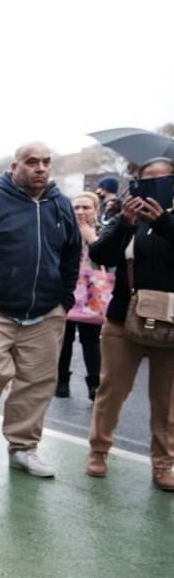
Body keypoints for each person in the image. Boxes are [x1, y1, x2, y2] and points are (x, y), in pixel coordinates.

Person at [0, 142, 80, 477]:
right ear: (14, 166)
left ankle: (23, 447)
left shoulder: (60, 204)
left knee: (37, 383)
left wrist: (64, 300)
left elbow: (72, 253)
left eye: (46, 162)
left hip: (45, 312)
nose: (41, 168)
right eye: (32, 162)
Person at [84, 157, 174, 489]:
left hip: (171, 322)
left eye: (161, 180)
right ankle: (98, 451)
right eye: (146, 180)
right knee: (111, 390)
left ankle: (164, 464)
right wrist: (123, 222)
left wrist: (163, 222)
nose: (152, 187)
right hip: (123, 318)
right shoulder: (126, 217)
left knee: (167, 402)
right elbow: (100, 254)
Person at [56, 192, 106, 400]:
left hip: (92, 292)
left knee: (91, 341)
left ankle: (94, 384)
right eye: (76, 207)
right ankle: (62, 381)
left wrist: (91, 239)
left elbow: (108, 258)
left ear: (95, 210)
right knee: (64, 339)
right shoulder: (63, 229)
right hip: (66, 290)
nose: (80, 211)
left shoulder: (104, 231)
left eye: (86, 207)